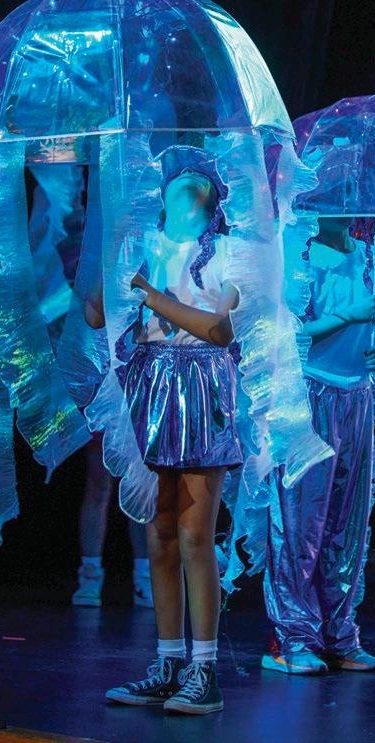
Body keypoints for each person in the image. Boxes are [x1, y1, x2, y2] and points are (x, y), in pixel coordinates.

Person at [84, 147, 241, 715]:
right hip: (150, 385)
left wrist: (150, 294)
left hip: (203, 385)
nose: (191, 176)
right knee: (160, 534)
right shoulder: (144, 246)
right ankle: (169, 661)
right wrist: (110, 266)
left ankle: (205, 669)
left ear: (215, 201)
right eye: (180, 175)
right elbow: (97, 315)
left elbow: (219, 329)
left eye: (202, 175)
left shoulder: (230, 253)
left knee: (197, 533)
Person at [262, 216, 375, 674]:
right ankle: (292, 636)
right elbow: (286, 332)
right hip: (308, 395)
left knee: (347, 525)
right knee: (299, 521)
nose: (345, 204)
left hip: (357, 398)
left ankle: (339, 633)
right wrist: (347, 316)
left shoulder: (369, 258)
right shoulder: (301, 256)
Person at [72, 433, 152, 609]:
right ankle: (90, 575)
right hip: (105, 419)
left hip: (136, 418)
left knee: (140, 491)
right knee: (98, 485)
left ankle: (144, 577)